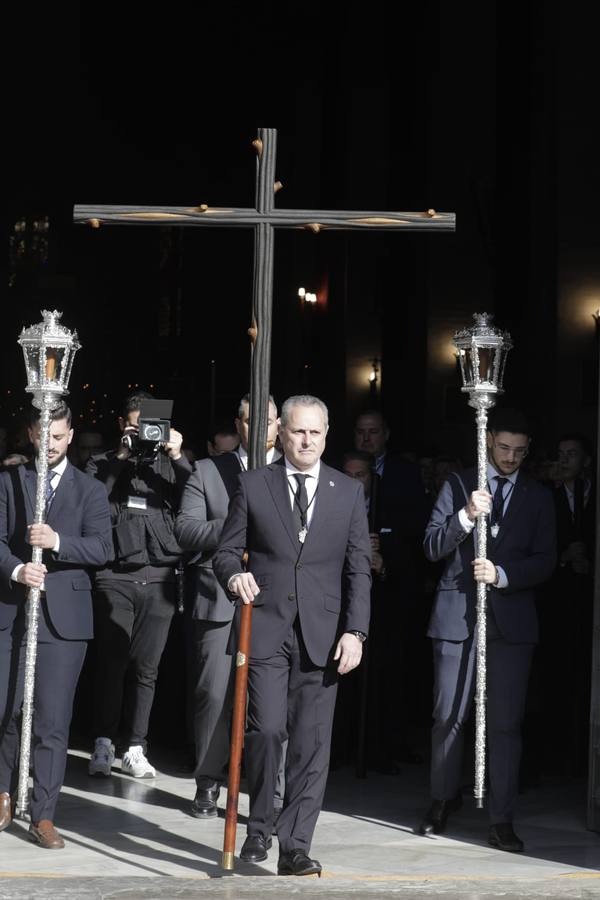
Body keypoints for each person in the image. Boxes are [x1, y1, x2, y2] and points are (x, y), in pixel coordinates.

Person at [214, 395, 371, 876]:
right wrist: (233, 577)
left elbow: (358, 569)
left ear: (326, 435)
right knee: (266, 731)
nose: (306, 441)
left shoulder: (347, 491)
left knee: (311, 742)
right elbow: (225, 552)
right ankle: (260, 826)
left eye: (315, 433)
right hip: (264, 627)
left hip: (323, 634)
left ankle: (295, 845)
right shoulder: (253, 484)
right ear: (281, 432)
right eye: (298, 432)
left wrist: (356, 631)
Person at [418, 408, 556, 853]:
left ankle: (501, 818)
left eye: (519, 451)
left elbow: (545, 560)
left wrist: (500, 574)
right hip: (457, 618)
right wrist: (464, 515)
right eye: (502, 448)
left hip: (510, 625)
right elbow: (431, 545)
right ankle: (441, 800)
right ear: (489, 440)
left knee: (505, 725)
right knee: (448, 717)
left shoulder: (538, 496)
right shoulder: (459, 484)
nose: (510, 457)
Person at [0, 402, 112, 848]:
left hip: (64, 620)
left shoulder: (90, 490)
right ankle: (4, 792)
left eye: (60, 436)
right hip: (12, 611)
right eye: (44, 435)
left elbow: (103, 548)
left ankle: (43, 814)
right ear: (31, 433)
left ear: (70, 436)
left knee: (52, 719)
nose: (51, 443)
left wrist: (58, 542)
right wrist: (15, 570)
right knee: (7, 709)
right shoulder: (9, 482)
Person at [174, 394, 279, 818]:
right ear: (239, 425)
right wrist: (237, 525)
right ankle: (208, 782)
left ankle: (267, 791)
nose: (262, 429)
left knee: (270, 701)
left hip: (273, 600)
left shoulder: (291, 473)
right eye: (253, 421)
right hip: (217, 598)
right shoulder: (207, 470)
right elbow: (185, 529)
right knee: (213, 695)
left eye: (270, 421)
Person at [86, 391, 192, 778]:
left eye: (149, 426)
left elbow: (196, 494)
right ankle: (103, 741)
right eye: (135, 425)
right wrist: (122, 456)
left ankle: (135, 745)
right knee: (111, 665)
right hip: (114, 575)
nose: (143, 433)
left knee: (147, 668)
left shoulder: (168, 465)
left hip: (160, 574)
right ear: (121, 425)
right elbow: (92, 499)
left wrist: (178, 455)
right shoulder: (101, 463)